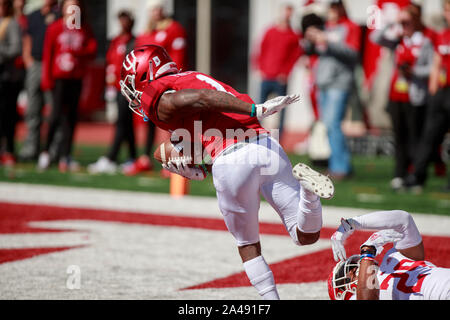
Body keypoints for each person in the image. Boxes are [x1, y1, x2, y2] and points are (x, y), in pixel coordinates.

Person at [119, 44, 335, 300]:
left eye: (133, 84)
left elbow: (201, 98)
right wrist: (197, 165)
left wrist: (255, 108)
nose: (133, 94)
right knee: (305, 236)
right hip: (265, 146)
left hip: (231, 157)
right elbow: (198, 123)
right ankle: (309, 194)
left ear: (146, 73)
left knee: (248, 246)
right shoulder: (190, 77)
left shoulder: (162, 96)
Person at [371, 4, 434, 191]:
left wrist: (414, 72)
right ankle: (399, 174)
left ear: (416, 20)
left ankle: (416, 176)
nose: (405, 25)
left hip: (415, 96)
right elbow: (376, 38)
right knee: (399, 137)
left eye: (408, 21)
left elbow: (432, 67)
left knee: (416, 137)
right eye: (403, 21)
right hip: (396, 95)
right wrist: (393, 22)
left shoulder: (424, 40)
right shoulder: (399, 39)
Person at [124, 0, 188, 176]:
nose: (156, 13)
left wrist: (173, 81)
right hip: (148, 86)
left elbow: (177, 58)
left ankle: (171, 160)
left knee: (169, 121)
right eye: (153, 9)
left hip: (166, 82)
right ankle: (144, 157)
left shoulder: (174, 29)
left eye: (158, 9)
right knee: (146, 120)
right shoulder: (145, 33)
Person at [329, 209, 450, 300]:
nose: (354, 269)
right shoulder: (358, 296)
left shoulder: (394, 257)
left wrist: (351, 224)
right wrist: (367, 252)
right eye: (348, 276)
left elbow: (404, 220)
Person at [302, 0, 361, 180]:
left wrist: (327, 40)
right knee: (328, 125)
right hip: (324, 82)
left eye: (335, 7)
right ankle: (339, 165)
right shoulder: (324, 26)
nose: (332, 10)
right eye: (330, 7)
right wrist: (309, 39)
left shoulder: (349, 27)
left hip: (339, 82)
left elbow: (353, 53)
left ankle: (340, 168)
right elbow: (313, 52)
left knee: (334, 125)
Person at [37, 0, 97, 172]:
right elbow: (48, 54)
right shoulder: (55, 27)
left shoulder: (83, 28)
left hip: (76, 78)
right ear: (63, 9)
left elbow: (92, 50)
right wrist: (46, 80)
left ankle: (66, 155)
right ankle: (46, 152)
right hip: (59, 78)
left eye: (76, 6)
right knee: (55, 116)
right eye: (69, 6)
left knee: (71, 118)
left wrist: (78, 51)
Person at [404, 0, 450, 192]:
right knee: (429, 135)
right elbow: (437, 63)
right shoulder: (443, 35)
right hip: (442, 92)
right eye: (446, 10)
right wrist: (433, 88)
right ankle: (418, 176)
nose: (447, 14)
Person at [87, 10, 137, 174]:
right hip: (116, 87)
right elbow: (111, 63)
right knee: (126, 123)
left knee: (121, 121)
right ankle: (133, 157)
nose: (123, 23)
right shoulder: (115, 41)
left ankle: (111, 157)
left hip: (129, 88)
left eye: (126, 20)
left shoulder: (135, 42)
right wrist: (108, 86)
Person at [255, 4, 302, 143]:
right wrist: (260, 69)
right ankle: (257, 136)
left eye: (290, 13)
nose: (287, 15)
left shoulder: (294, 35)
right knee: (260, 108)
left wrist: (286, 73)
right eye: (285, 12)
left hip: (281, 79)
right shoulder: (270, 31)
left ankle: (278, 140)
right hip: (266, 76)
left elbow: (295, 56)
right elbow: (261, 50)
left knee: (281, 109)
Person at [19, 0, 59, 162]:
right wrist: (27, 59)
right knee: (32, 110)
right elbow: (27, 38)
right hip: (35, 63)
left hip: (52, 65)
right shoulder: (33, 15)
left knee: (54, 110)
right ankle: (31, 148)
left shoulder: (63, 14)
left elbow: (76, 27)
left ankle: (54, 150)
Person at [0, 0, 22, 166]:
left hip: (7, 78)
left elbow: (16, 49)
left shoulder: (11, 23)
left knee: (7, 116)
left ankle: (9, 150)